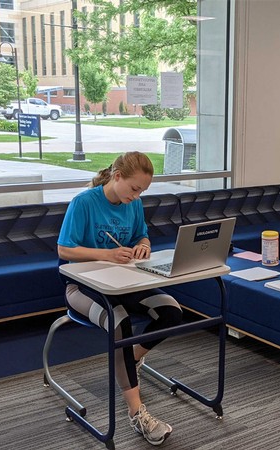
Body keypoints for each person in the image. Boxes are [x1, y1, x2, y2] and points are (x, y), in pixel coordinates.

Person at [57, 151, 179, 446]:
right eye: (134, 189)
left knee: (172, 312)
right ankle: (137, 413)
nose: (137, 196)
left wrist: (143, 246)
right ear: (117, 177)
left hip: (123, 282)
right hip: (82, 287)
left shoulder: (133, 205)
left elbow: (142, 235)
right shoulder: (84, 203)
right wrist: (107, 254)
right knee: (119, 323)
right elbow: (64, 251)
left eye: (143, 191)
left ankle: (130, 359)